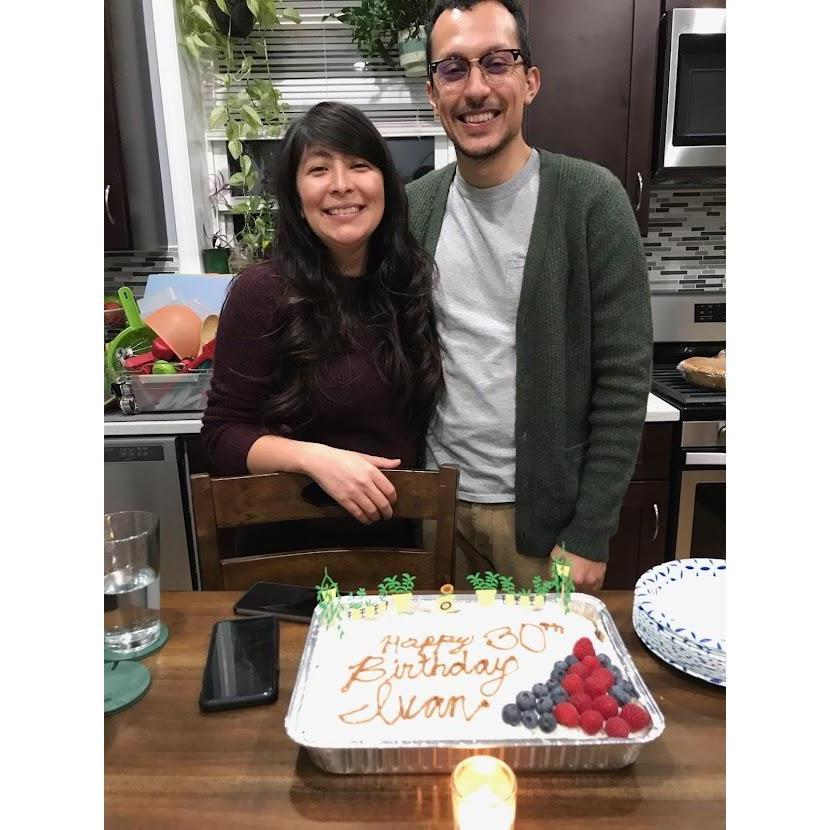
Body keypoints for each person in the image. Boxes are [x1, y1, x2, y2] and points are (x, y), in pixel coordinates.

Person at [407, 0, 652, 591]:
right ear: (434, 93)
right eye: (453, 69)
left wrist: (591, 529)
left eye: (497, 62)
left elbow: (624, 378)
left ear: (530, 81)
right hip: (438, 510)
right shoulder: (415, 208)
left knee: (541, 657)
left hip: (544, 529)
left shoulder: (592, 200)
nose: (476, 88)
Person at [202, 101, 443, 553]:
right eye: (318, 170)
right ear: (296, 198)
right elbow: (221, 435)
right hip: (290, 554)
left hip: (397, 550)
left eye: (359, 165)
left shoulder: (405, 284)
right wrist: (317, 460)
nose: (341, 185)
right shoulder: (263, 291)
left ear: (385, 185)